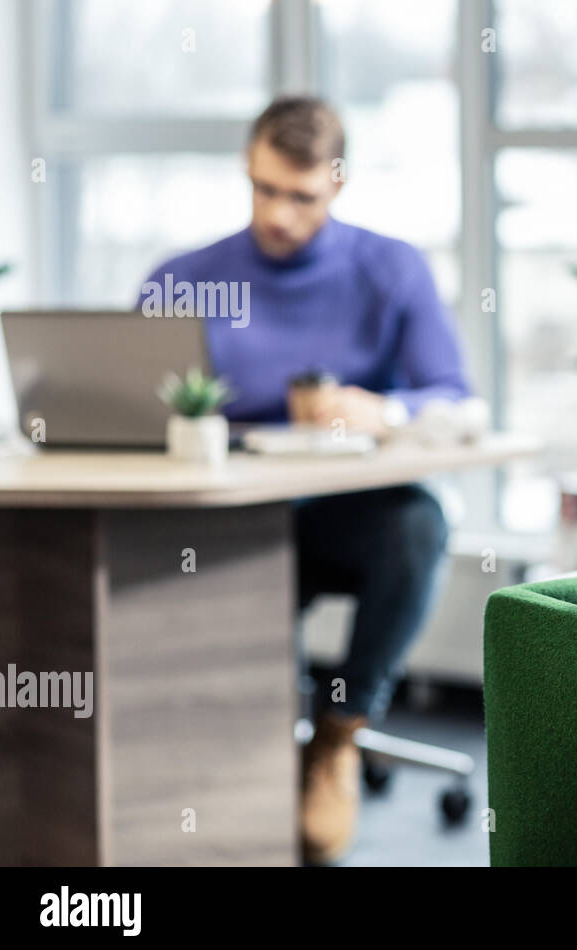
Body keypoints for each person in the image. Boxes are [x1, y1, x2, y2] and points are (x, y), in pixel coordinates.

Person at [137, 95, 474, 865]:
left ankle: (337, 733)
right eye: (264, 189)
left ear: (339, 185)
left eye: (302, 196)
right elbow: (136, 406)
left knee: (418, 524)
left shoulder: (389, 268)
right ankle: (237, 748)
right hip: (223, 524)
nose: (280, 216)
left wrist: (378, 408)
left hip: (341, 523)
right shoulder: (184, 277)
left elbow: (455, 397)